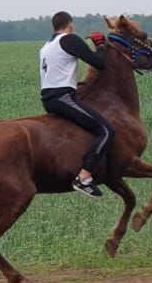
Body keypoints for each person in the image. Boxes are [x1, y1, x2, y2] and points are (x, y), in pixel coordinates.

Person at [39, 12, 113, 198]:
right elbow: (100, 63)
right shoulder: (69, 39)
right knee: (106, 131)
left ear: (52, 27)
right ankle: (84, 177)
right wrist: (101, 46)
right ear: (70, 25)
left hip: (49, 98)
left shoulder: (46, 46)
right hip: (63, 98)